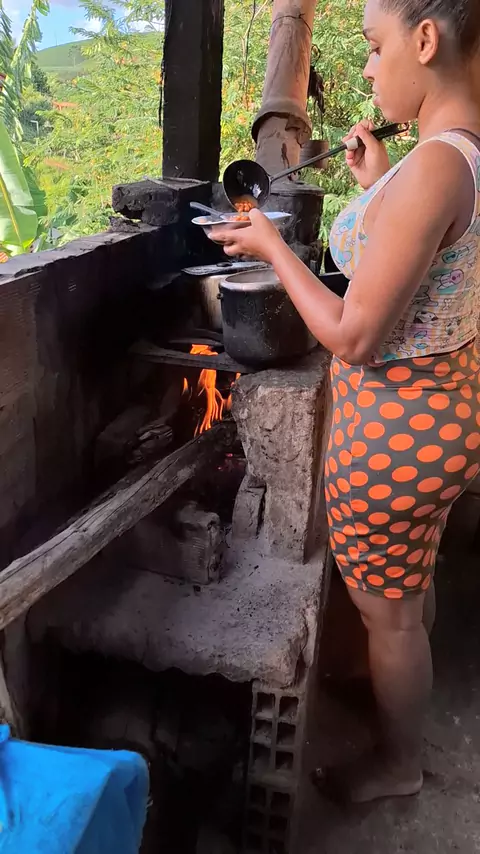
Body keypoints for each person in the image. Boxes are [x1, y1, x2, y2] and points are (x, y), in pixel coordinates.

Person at [212, 0, 480, 804]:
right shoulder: (455, 153)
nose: (366, 67)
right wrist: (377, 181)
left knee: (388, 615)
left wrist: (271, 246)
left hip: (397, 429)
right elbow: (420, 252)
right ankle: (394, 680)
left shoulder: (436, 167)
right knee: (407, 589)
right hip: (439, 413)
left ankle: (398, 763)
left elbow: (354, 335)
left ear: (424, 40)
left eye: (372, 46)